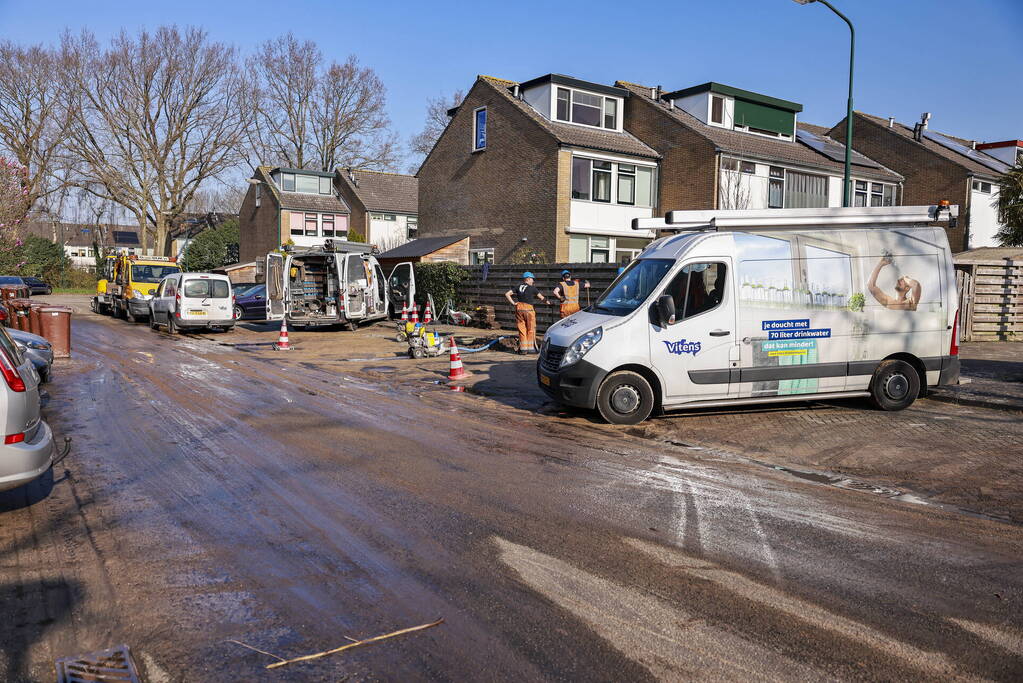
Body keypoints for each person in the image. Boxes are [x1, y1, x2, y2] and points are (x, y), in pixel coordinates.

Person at [505, 271, 546, 354]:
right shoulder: (533, 288)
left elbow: (507, 294)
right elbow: (542, 298)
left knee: (522, 329)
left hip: (519, 309)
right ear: (528, 279)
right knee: (531, 328)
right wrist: (549, 302)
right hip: (529, 309)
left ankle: (523, 349)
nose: (533, 281)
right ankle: (531, 349)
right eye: (532, 279)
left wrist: (513, 303)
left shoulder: (518, 287)